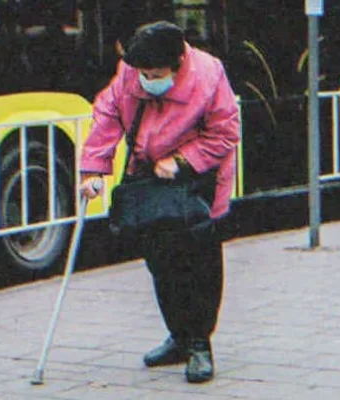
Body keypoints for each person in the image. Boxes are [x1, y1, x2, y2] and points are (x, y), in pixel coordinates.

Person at [78, 21, 240, 384]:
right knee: (161, 260)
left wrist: (181, 161)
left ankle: (199, 343)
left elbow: (226, 132)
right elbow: (107, 114)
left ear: (179, 62)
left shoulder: (208, 76)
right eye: (144, 74)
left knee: (199, 262)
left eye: (156, 74)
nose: (148, 79)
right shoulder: (131, 74)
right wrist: (93, 170)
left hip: (198, 178)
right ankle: (178, 337)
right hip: (149, 178)